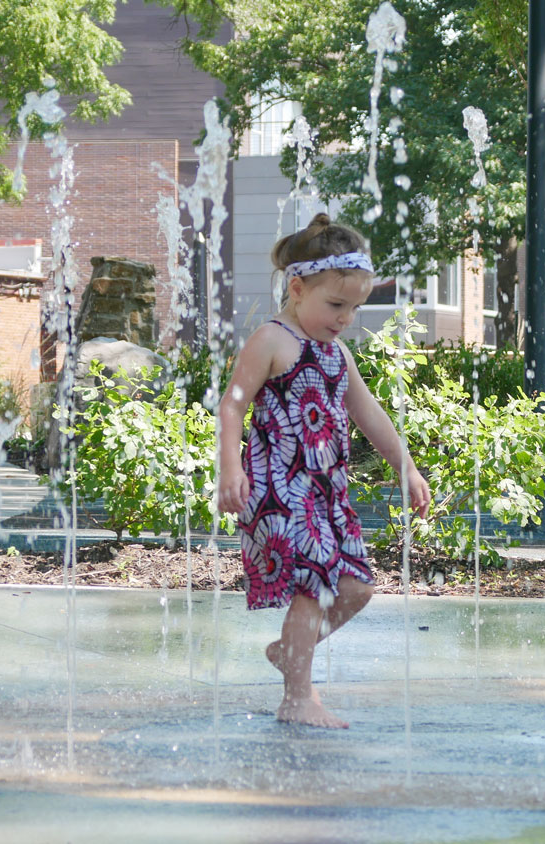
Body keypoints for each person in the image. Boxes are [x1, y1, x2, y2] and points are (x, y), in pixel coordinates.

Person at [216, 213, 430, 729]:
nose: (345, 318)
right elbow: (231, 406)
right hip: (279, 488)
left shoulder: (337, 354)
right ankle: (298, 695)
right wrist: (228, 469)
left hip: (325, 493)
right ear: (296, 288)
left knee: (356, 588)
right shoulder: (270, 341)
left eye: (354, 308)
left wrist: (407, 467)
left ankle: (292, 650)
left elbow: (370, 414)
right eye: (336, 305)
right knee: (312, 586)